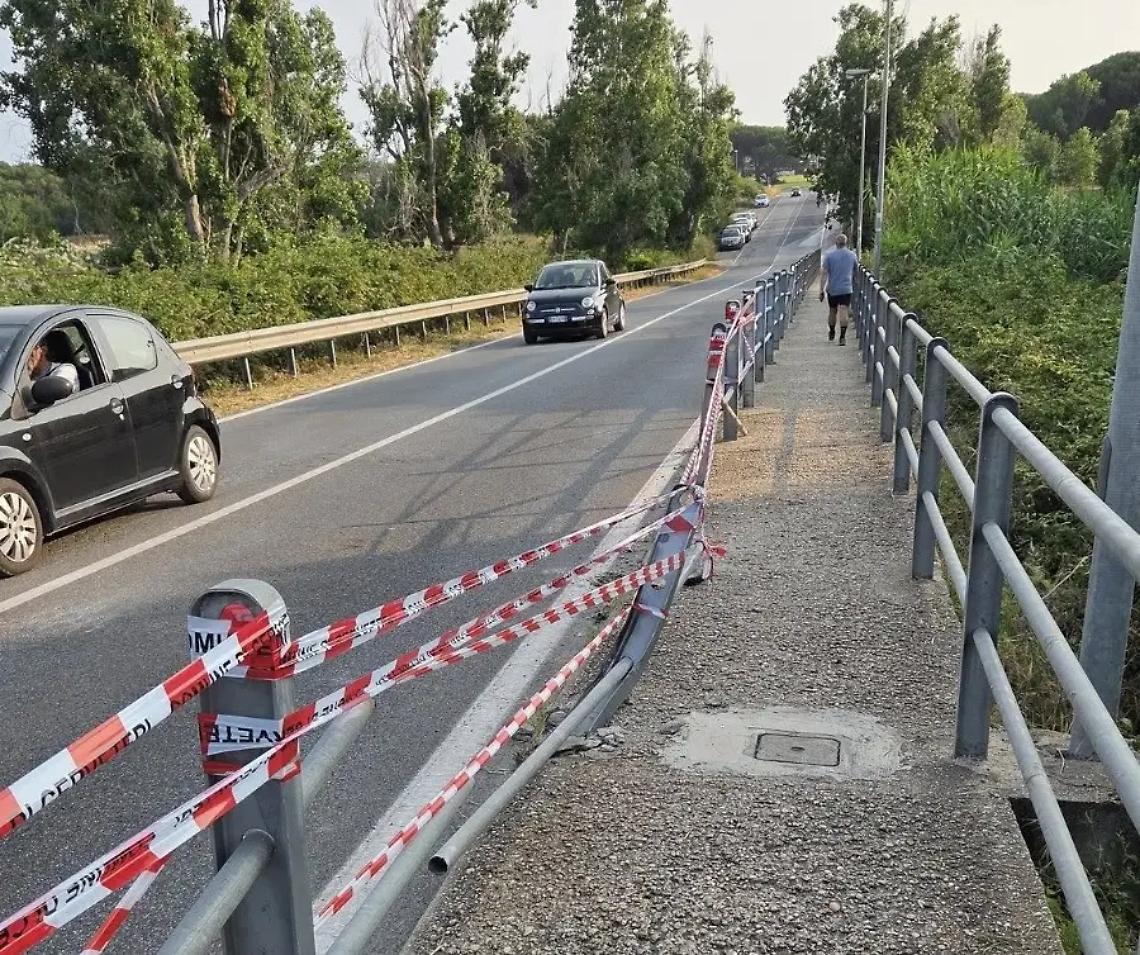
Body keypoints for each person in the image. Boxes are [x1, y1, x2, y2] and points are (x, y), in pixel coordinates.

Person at [819, 233, 858, 345]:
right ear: (846, 243)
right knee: (843, 310)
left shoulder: (829, 256)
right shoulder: (852, 255)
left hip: (833, 289)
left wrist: (821, 290)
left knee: (832, 310)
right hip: (846, 288)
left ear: (836, 243)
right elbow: (856, 271)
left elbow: (824, 274)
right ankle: (842, 336)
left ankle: (832, 331)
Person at [26, 331, 80, 397]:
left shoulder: (66, 370)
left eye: (31, 354)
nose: (27, 359)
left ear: (43, 350)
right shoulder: (36, 375)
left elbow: (55, 389)